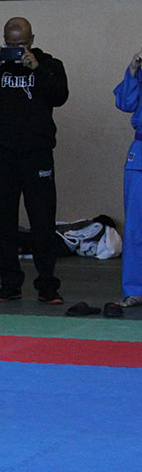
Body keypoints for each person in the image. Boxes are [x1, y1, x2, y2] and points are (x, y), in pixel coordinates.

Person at [0, 17, 68, 304]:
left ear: (32, 40)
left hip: (37, 154)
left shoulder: (50, 65)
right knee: (4, 222)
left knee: (42, 222)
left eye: (21, 45)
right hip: (2, 154)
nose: (16, 50)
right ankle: (9, 284)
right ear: (3, 41)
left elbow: (60, 97)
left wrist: (38, 69)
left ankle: (47, 286)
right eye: (10, 45)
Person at [113, 49, 142, 309]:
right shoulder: (140, 71)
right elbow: (124, 102)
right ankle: (135, 288)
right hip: (140, 155)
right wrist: (133, 69)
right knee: (135, 228)